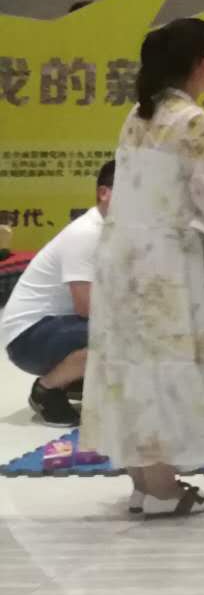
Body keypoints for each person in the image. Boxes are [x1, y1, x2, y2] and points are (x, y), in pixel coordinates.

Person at [81, 17, 204, 518]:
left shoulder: (138, 115)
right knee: (164, 365)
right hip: (163, 263)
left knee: (130, 365)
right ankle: (161, 490)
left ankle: (145, 482)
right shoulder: (192, 120)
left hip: (121, 257)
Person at [4, 162, 114, 426]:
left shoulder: (115, 231)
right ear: (104, 193)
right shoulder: (87, 233)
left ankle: (75, 378)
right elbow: (86, 306)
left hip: (59, 326)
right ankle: (47, 389)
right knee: (122, 335)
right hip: (28, 338)